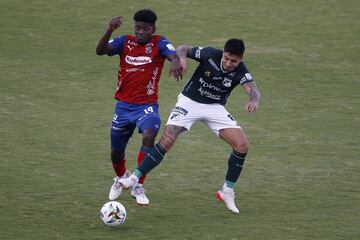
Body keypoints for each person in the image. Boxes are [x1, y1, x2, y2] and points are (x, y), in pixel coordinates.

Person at [119, 38, 260, 213]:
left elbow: (253, 89)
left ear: (241, 59)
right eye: (227, 58)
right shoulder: (209, 54)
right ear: (223, 53)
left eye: (234, 61)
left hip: (215, 108)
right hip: (189, 102)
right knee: (168, 138)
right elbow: (183, 48)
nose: (229, 63)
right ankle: (134, 178)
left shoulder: (241, 71)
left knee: (242, 146)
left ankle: (227, 191)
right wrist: (183, 60)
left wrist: (253, 100)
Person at [96, 9, 182, 206]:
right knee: (116, 153)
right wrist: (109, 29)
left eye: (145, 28)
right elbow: (100, 51)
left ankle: (137, 184)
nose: (141, 32)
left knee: (149, 135)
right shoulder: (124, 41)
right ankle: (120, 178)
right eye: (138, 28)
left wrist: (175, 61)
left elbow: (172, 53)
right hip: (123, 107)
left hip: (147, 106)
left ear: (153, 29)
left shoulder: (159, 42)